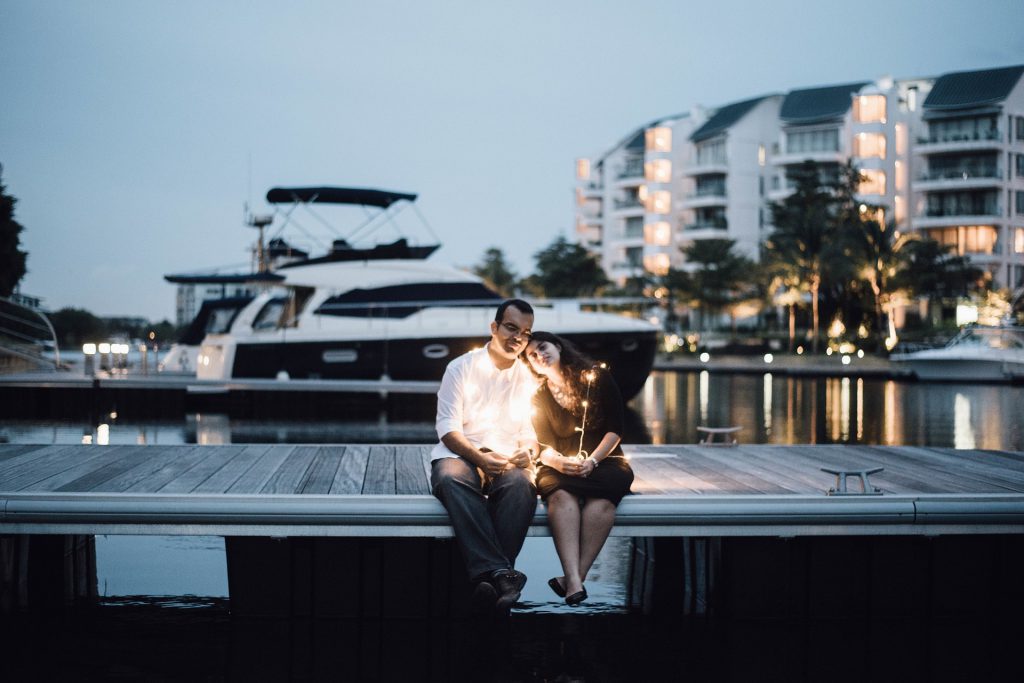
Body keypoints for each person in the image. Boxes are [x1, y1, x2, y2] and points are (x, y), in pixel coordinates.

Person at [430, 299, 540, 615]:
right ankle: (503, 574)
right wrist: (478, 459)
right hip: (460, 453)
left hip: (505, 458)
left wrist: (528, 451)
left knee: (522, 484)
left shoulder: (527, 377)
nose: (518, 337)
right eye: (511, 327)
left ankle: (490, 580)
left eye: (526, 332)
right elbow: (447, 429)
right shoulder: (461, 367)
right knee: (452, 478)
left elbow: (528, 431)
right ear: (494, 328)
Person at [523, 331, 634, 606]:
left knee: (603, 501)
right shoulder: (538, 396)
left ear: (558, 346)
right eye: (532, 356)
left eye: (542, 347)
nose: (540, 356)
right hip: (559, 464)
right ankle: (575, 581)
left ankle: (572, 579)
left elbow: (615, 429)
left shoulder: (596, 378)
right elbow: (542, 445)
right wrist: (558, 462)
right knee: (559, 494)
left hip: (605, 460)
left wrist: (593, 461)